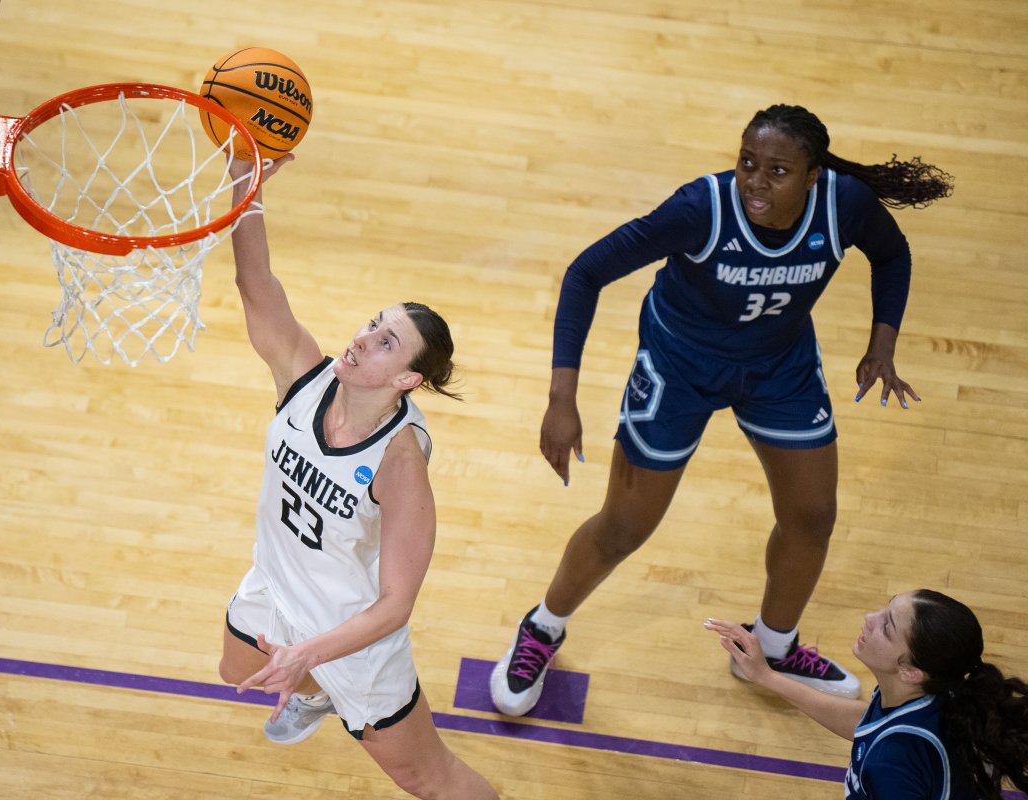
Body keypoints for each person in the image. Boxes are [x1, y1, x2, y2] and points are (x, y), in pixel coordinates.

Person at [490, 103, 955, 716]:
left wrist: (882, 344)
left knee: (813, 516)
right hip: (680, 366)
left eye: (778, 170)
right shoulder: (700, 209)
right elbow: (586, 273)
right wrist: (561, 399)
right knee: (626, 525)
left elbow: (893, 256)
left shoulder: (845, 205)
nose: (756, 182)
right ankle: (542, 628)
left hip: (778, 365)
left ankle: (772, 645)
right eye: (746, 163)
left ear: (813, 176)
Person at [217, 155, 498, 800]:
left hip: (355, 633)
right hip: (275, 585)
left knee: (428, 780)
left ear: (407, 380)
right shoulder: (303, 377)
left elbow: (396, 605)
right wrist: (245, 181)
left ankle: (324, 688)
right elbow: (255, 282)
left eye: (387, 342)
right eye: (374, 323)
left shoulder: (400, 465)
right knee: (234, 666)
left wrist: (311, 653)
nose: (364, 338)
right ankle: (314, 697)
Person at [706, 591, 1028, 799]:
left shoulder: (892, 765)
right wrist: (765, 676)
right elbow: (865, 724)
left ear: (910, 671)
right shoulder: (936, 696)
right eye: (885, 608)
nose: (868, 619)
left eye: (886, 628)